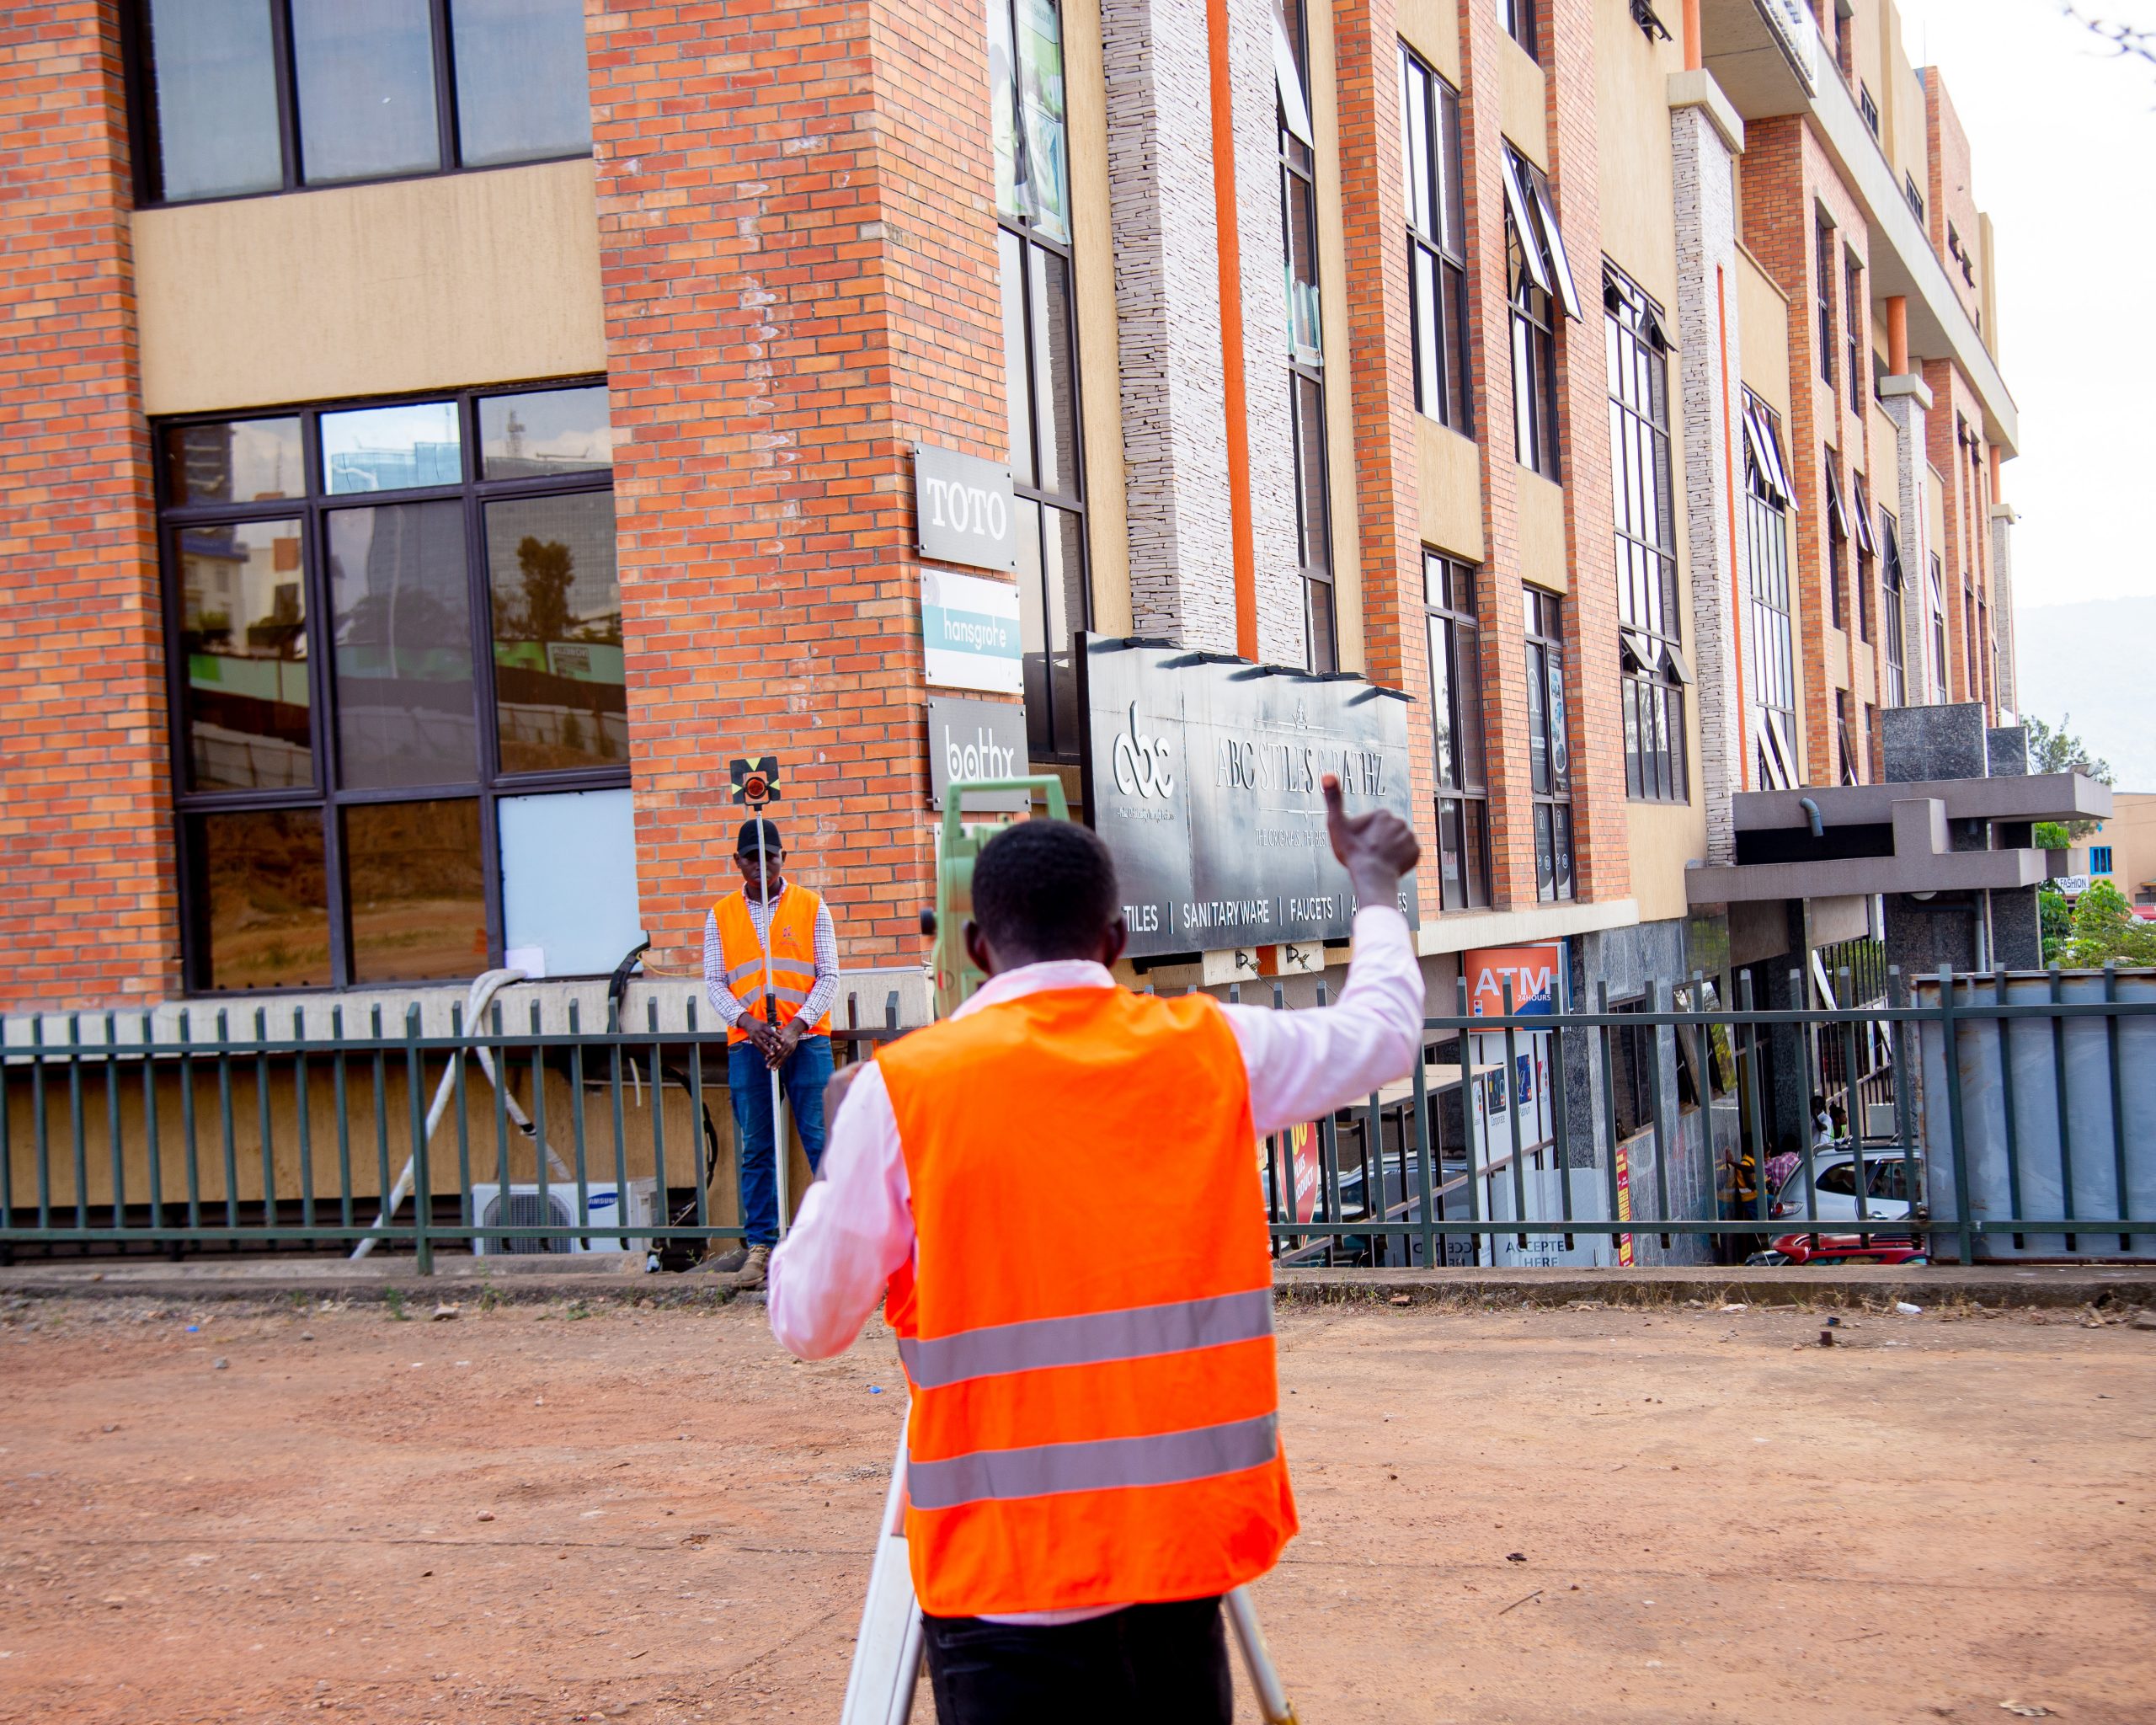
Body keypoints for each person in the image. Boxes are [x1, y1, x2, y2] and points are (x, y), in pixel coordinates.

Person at [767, 775, 1422, 1724]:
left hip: (1005, 1590)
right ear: (1115, 941)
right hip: (1176, 1569)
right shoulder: (1208, 1050)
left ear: (977, 948)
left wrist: (841, 1161)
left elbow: (806, 1322)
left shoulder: (906, 1094)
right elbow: (1383, 1032)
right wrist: (1371, 886)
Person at [702, 816, 838, 1287]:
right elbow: (716, 983)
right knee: (756, 1148)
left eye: (770, 856)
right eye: (751, 858)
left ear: (784, 858)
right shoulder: (720, 914)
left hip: (808, 1040)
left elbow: (830, 976)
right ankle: (761, 1247)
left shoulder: (812, 906)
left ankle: (835, 1246)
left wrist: (796, 1028)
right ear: (737, 861)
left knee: (822, 1144)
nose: (761, 865)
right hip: (749, 1043)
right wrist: (751, 1024)